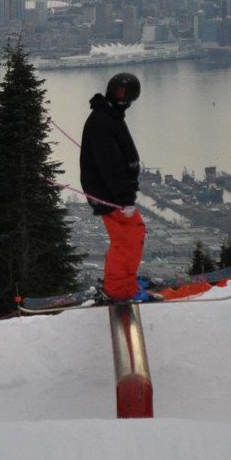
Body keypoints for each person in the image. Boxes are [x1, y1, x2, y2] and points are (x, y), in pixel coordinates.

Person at [80, 71, 158, 302]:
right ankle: (119, 290)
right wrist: (125, 198)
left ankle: (124, 282)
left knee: (131, 235)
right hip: (110, 194)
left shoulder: (107, 115)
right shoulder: (104, 121)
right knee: (128, 239)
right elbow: (111, 165)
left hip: (111, 191)